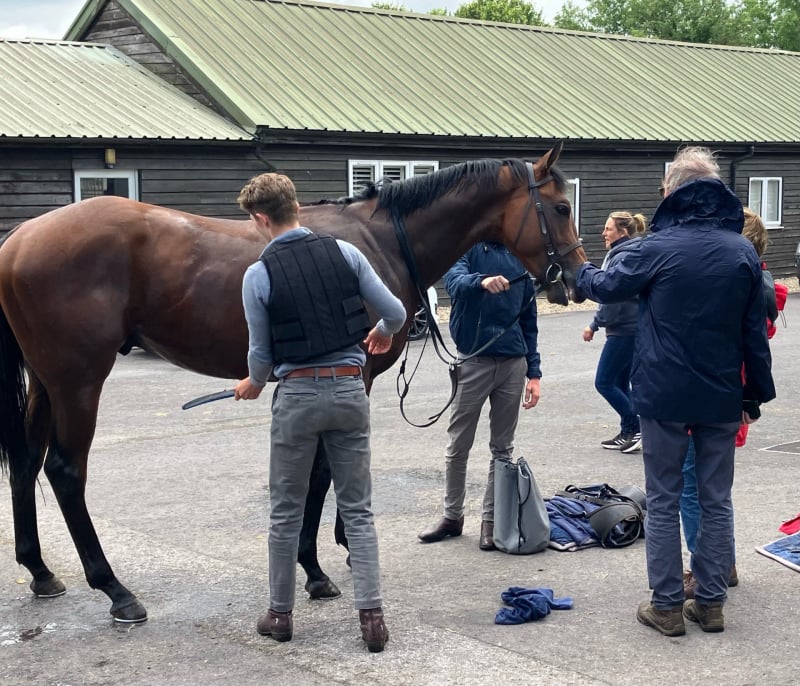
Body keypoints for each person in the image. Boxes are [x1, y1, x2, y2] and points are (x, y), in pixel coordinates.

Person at [576, 146, 775, 637]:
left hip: (663, 392)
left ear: (673, 191)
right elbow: (754, 331)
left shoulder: (654, 248)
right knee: (716, 498)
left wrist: (575, 265)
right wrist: (755, 395)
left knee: (664, 499)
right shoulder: (742, 251)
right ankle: (710, 604)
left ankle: (666, 606)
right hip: (723, 392)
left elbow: (603, 287)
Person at [233, 172, 406, 652]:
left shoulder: (258, 275)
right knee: (359, 510)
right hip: (351, 391)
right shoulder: (347, 254)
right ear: (297, 206)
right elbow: (394, 312)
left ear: (262, 218)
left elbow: (261, 357)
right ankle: (372, 618)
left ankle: (280, 615)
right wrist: (383, 334)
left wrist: (251, 384)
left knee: (286, 510)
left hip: (298, 397)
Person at [681, 207, 789, 598]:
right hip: (737, 399)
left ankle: (705, 565)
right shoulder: (761, 286)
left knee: (692, 485)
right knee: (715, 487)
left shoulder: (734, 288)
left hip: (715, 397)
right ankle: (722, 563)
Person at [418, 241, 541, 551]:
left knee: (502, 448)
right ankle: (452, 516)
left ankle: (490, 520)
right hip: (473, 361)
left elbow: (530, 321)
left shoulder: (521, 257)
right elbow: (453, 282)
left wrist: (535, 373)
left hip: (513, 363)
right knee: (458, 444)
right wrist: (482, 281)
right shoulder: (469, 248)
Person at [582, 212, 647, 454]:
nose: (603, 233)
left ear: (622, 232)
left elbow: (612, 297)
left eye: (608, 229)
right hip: (627, 327)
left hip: (626, 329)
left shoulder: (624, 256)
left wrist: (594, 324)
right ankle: (629, 430)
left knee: (605, 382)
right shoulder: (623, 253)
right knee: (620, 382)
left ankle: (640, 428)